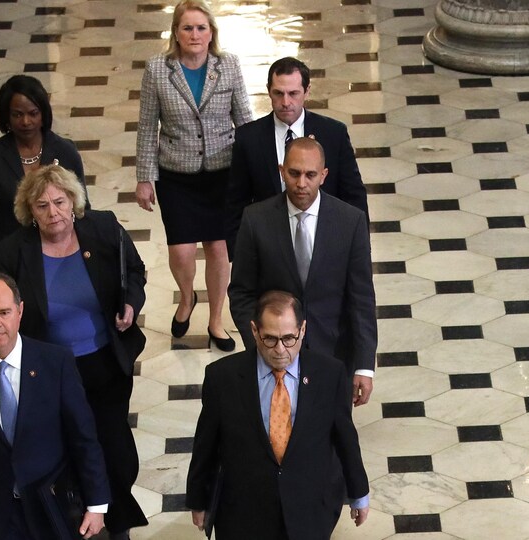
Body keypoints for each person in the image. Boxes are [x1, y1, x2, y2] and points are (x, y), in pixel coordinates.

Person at [0, 165, 149, 539]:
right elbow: (1, 304)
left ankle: (117, 520)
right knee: (66, 445)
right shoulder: (13, 251)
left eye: (60, 202)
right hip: (50, 369)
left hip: (104, 362)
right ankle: (74, 518)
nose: (53, 213)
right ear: (30, 210)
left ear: (74, 201)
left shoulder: (103, 228)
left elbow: (136, 271)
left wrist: (130, 303)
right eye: (42, 206)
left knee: (113, 446)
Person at [0, 272, 110, 540]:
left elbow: (83, 437)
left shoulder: (55, 362)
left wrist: (97, 504)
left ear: (20, 311)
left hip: (51, 506)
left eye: (4, 312)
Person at [186, 290, 370, 539]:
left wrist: (359, 493)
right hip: (244, 512)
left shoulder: (330, 374)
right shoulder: (222, 377)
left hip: (309, 507)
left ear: (302, 330)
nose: (280, 349)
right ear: (254, 331)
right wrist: (198, 499)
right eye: (270, 339)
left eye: (289, 338)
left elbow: (345, 437)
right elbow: (206, 445)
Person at [134, 0, 252, 351]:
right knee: (182, 250)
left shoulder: (228, 65)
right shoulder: (158, 69)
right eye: (188, 27)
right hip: (177, 173)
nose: (195, 34)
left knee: (219, 250)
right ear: (176, 33)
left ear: (212, 32)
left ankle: (217, 320)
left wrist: (259, 167)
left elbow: (244, 118)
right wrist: (144, 177)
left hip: (223, 172)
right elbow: (146, 126)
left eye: (202, 27)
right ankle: (187, 298)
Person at [229, 137, 377, 406]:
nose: (301, 184)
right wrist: (262, 345)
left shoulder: (350, 221)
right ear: (281, 171)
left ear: (324, 175)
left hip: (334, 355)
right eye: (294, 173)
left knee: (331, 440)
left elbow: (362, 299)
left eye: (310, 175)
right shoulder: (255, 219)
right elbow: (241, 292)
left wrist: (364, 366)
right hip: (273, 357)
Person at [226, 57, 367, 258]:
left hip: (325, 242)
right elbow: (236, 202)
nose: (286, 102)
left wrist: (359, 251)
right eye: (278, 93)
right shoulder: (249, 138)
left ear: (307, 91)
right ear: (268, 91)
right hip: (269, 247)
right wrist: (240, 257)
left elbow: (353, 196)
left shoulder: (333, 134)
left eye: (293, 93)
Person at [0, 74, 89, 282]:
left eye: (33, 113)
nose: (26, 121)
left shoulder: (65, 150)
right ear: (7, 116)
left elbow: (82, 209)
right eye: (17, 115)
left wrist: (90, 257)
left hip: (59, 253)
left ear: (43, 113)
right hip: (9, 258)